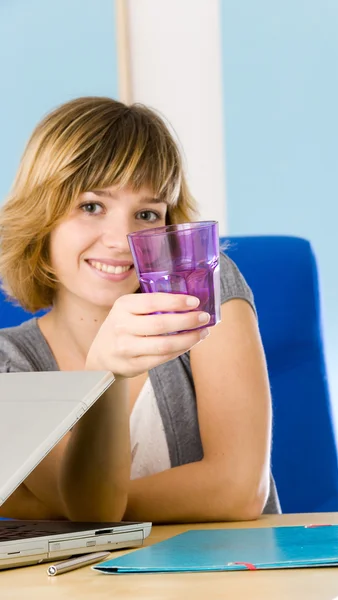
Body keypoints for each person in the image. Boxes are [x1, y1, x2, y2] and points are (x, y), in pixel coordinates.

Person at [0, 97, 280, 523]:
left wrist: (43, 508)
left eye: (147, 214)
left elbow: (238, 492)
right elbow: (91, 506)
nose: (122, 239)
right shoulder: (10, 365)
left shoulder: (204, 291)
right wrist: (105, 374)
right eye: (91, 206)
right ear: (43, 217)